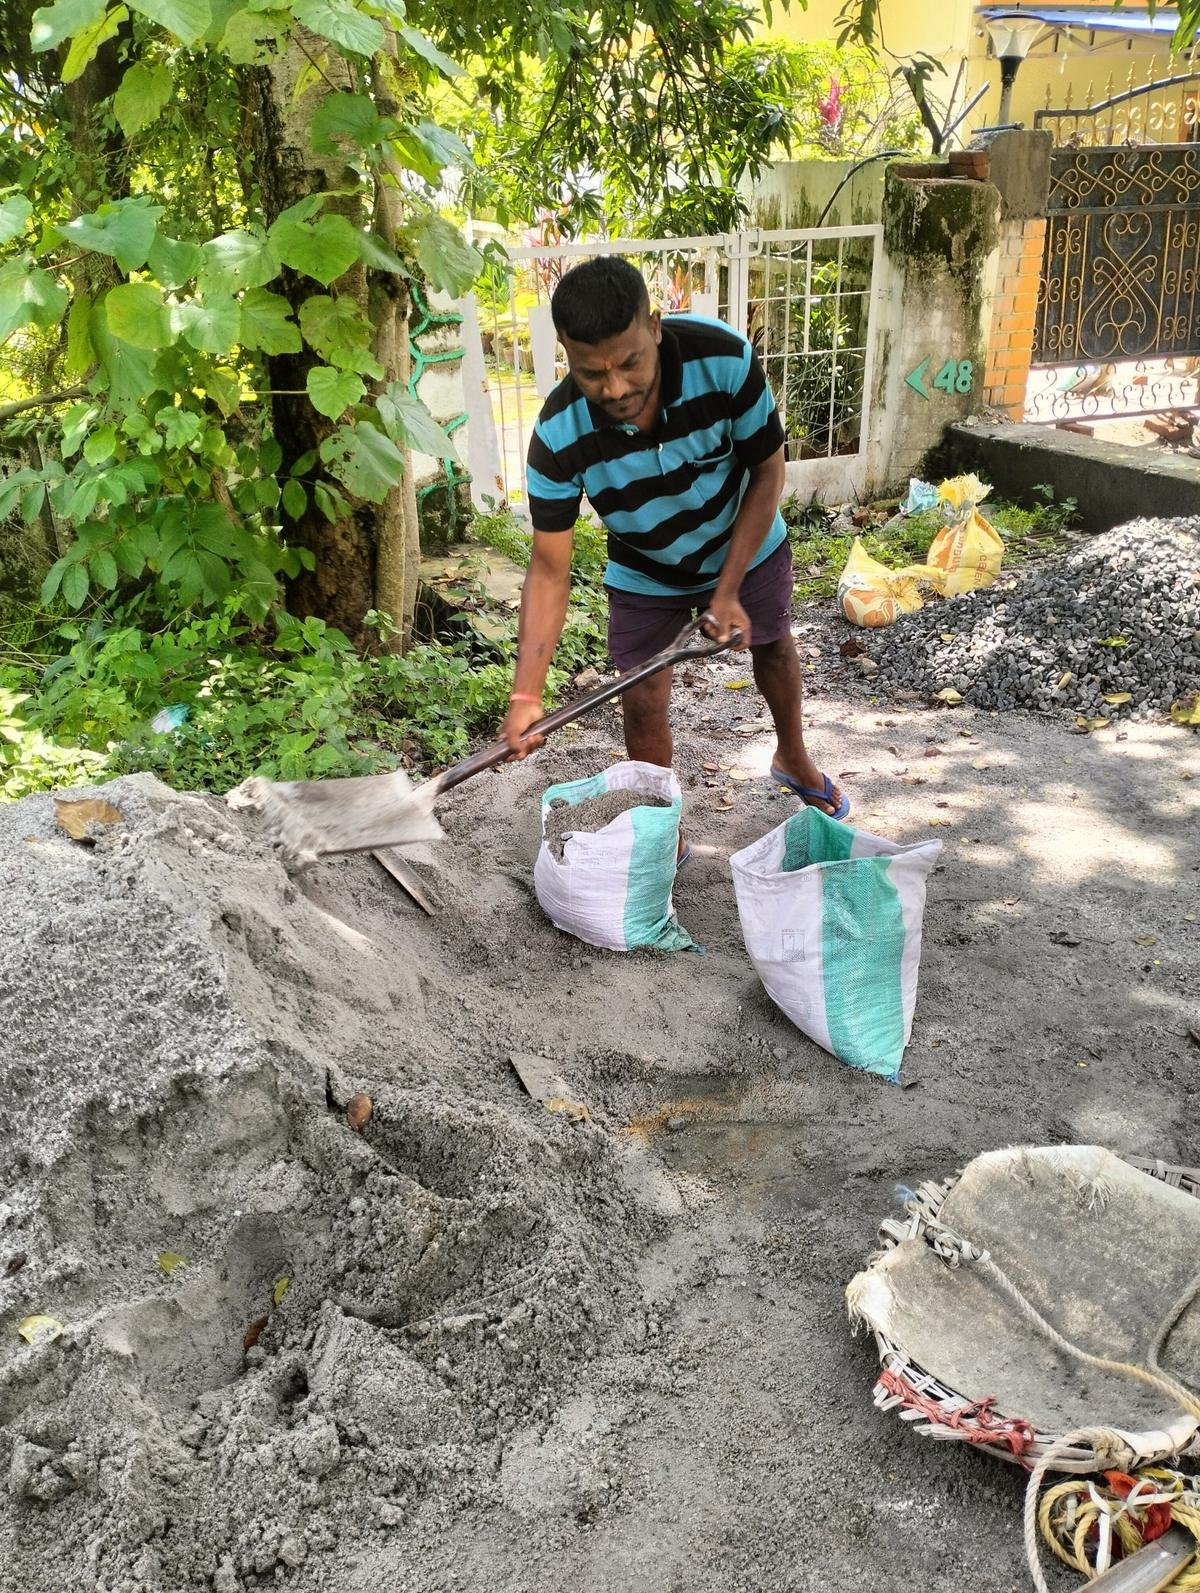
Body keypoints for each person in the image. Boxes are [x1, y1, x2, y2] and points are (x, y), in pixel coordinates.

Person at [499, 256, 848, 826]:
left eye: (631, 363)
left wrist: (728, 589)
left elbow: (767, 471)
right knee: (640, 699)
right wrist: (524, 697)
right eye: (592, 373)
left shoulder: (724, 359)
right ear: (566, 353)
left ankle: (792, 755)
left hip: (745, 541)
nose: (615, 388)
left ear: (655, 327)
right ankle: (661, 821)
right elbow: (548, 569)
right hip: (645, 567)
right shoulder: (557, 438)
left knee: (775, 646)